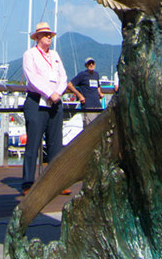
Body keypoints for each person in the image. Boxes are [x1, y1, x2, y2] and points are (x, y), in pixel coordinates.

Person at [20, 21, 69, 195]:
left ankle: (56, 182)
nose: (49, 37)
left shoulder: (55, 55)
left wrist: (58, 92)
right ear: (38, 37)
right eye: (46, 34)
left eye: (50, 35)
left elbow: (63, 76)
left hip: (55, 102)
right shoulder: (30, 54)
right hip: (36, 101)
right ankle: (28, 182)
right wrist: (49, 93)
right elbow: (32, 77)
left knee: (56, 143)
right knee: (33, 143)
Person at [68, 57, 103, 127]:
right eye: (89, 63)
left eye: (92, 63)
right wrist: (79, 95)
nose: (91, 65)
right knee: (90, 128)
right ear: (86, 65)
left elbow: (98, 85)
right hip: (88, 106)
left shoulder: (96, 74)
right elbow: (69, 85)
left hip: (98, 106)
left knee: (99, 127)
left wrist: (100, 93)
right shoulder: (82, 75)